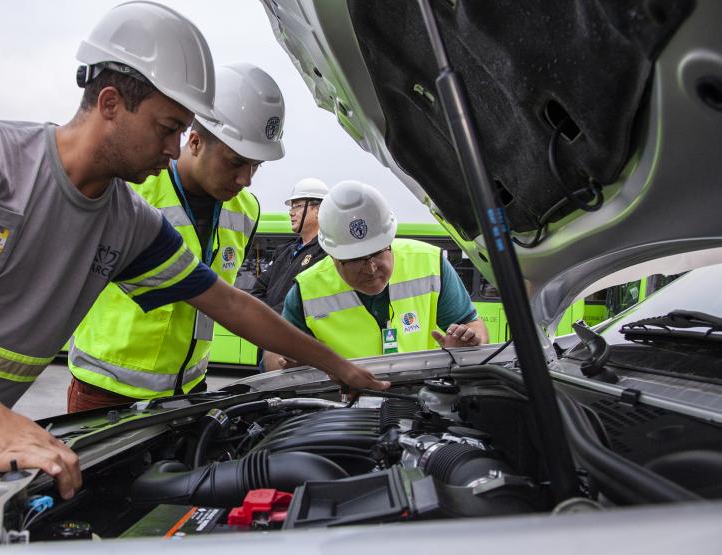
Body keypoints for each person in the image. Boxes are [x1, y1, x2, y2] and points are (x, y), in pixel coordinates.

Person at [0, 3, 388, 495]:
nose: (172, 148)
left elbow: (230, 304)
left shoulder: (127, 222)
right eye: (166, 127)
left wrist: (339, 368)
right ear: (109, 103)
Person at [67, 62, 282, 410]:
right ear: (194, 142)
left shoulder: (247, 210)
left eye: (256, 165)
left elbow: (225, 300)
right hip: (106, 389)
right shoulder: (132, 191)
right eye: (235, 161)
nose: (246, 179)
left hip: (190, 389)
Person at [264, 180, 488, 370]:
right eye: (356, 260)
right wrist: (285, 363)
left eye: (378, 253)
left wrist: (468, 345)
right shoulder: (306, 289)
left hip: (420, 403)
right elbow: (273, 356)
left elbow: (474, 326)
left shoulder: (431, 265)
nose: (371, 268)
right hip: (344, 409)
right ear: (332, 256)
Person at [250, 178, 329, 313]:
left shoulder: (326, 252)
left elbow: (304, 298)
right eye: (291, 207)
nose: (291, 212)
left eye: (297, 206)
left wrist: (270, 320)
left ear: (319, 210)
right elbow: (258, 289)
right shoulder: (284, 252)